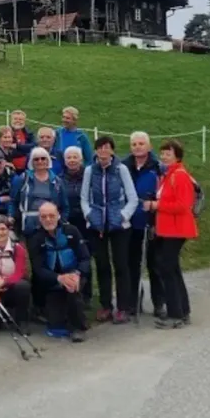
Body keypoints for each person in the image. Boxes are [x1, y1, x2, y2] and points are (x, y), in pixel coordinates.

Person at [82, 136, 138, 323]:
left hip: (119, 225)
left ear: (112, 151)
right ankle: (106, 305)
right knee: (102, 265)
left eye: (107, 148)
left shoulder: (121, 169)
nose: (103, 151)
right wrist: (89, 215)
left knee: (121, 266)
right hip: (97, 225)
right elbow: (84, 198)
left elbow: (132, 198)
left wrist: (123, 216)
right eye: (100, 148)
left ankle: (124, 307)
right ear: (96, 151)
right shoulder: (90, 170)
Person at [144, 139, 198, 329]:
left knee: (167, 268)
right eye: (163, 153)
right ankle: (182, 311)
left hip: (176, 229)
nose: (164, 156)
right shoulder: (169, 174)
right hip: (168, 228)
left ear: (177, 156)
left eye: (168, 153)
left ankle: (176, 313)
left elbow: (183, 205)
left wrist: (156, 205)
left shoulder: (179, 176)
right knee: (171, 268)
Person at [28, 202, 89, 342]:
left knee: (72, 288)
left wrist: (77, 274)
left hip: (74, 275)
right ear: (40, 219)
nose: (48, 219)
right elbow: (38, 269)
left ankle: (78, 327)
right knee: (56, 325)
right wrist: (59, 278)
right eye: (44, 217)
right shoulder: (35, 238)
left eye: (52, 216)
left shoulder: (72, 231)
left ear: (58, 215)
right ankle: (48, 312)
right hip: (51, 281)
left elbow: (85, 258)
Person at [123, 131, 165, 318]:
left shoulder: (158, 167)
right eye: (134, 144)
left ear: (149, 146)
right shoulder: (124, 166)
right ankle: (133, 302)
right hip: (130, 222)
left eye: (141, 144)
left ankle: (159, 303)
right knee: (131, 264)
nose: (137, 147)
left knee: (155, 264)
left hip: (152, 222)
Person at [58, 146, 92, 300]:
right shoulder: (59, 178)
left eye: (75, 157)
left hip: (86, 221)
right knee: (70, 256)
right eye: (69, 158)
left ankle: (87, 294)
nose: (72, 160)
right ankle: (71, 292)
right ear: (64, 161)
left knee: (86, 255)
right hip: (68, 222)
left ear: (81, 159)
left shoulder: (89, 175)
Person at [12, 147, 70, 237]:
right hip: (30, 224)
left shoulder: (57, 181)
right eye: (36, 159)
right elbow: (13, 201)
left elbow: (65, 206)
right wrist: (11, 217)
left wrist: (61, 222)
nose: (40, 161)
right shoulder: (23, 179)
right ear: (32, 162)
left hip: (51, 223)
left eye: (43, 158)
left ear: (48, 161)